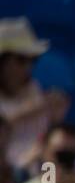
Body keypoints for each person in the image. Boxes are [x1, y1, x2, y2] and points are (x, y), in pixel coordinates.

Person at [0, 18, 51, 173]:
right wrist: (31, 110)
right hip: (8, 180)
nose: (27, 67)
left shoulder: (33, 88)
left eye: (32, 60)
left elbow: (44, 140)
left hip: (41, 175)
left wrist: (54, 117)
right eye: (20, 59)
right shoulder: (36, 100)